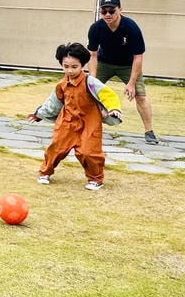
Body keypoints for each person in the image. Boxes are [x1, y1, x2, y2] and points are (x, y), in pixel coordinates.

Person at [28, 42, 122, 190]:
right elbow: (54, 103)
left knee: (89, 151)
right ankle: (45, 172)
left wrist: (114, 108)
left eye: (74, 67)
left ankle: (96, 179)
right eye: (66, 66)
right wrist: (39, 114)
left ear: (82, 65)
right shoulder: (61, 85)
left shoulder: (90, 82)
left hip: (89, 122)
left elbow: (107, 95)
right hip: (66, 122)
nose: (70, 70)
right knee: (56, 148)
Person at [87, 0, 159, 145]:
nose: (107, 14)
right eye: (104, 11)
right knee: (88, 92)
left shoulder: (131, 27)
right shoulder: (96, 28)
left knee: (140, 95)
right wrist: (92, 80)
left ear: (120, 9)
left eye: (111, 11)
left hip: (128, 65)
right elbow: (92, 56)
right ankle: (86, 127)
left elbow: (138, 57)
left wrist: (132, 83)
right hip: (104, 62)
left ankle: (149, 131)